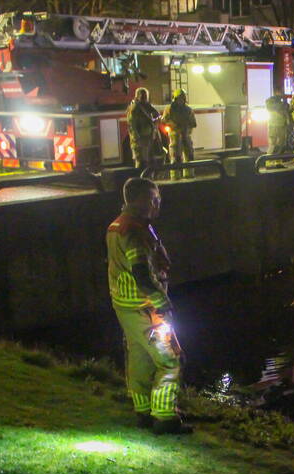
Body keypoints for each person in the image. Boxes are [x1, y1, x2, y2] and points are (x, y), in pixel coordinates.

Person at [106, 178, 191, 435]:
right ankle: (165, 418)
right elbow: (141, 272)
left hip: (125, 306)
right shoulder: (134, 231)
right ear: (139, 200)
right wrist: (162, 303)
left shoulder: (117, 226)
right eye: (154, 200)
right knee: (171, 359)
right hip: (146, 308)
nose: (157, 205)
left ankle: (143, 412)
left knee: (140, 358)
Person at [161, 88, 197, 179]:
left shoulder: (188, 109)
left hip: (186, 134)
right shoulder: (169, 109)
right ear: (176, 98)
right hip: (175, 136)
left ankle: (189, 174)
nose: (181, 100)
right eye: (180, 98)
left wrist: (188, 128)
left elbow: (193, 122)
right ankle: (175, 176)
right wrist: (173, 125)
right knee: (175, 156)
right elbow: (164, 120)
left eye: (183, 98)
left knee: (189, 154)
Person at [126, 87, 160, 169]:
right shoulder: (134, 108)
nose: (144, 98)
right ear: (137, 96)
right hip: (140, 140)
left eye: (145, 96)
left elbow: (156, 114)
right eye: (142, 96)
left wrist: (156, 121)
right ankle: (140, 180)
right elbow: (132, 124)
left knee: (150, 161)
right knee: (141, 162)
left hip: (148, 138)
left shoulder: (147, 106)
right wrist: (136, 137)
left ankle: (149, 179)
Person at [265, 85, 290, 165]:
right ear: (276, 92)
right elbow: (274, 108)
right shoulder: (270, 101)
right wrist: (283, 105)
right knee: (273, 144)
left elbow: (287, 109)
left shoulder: (282, 102)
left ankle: (277, 162)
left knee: (281, 145)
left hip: (281, 125)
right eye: (280, 91)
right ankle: (268, 162)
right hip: (273, 125)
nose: (282, 93)